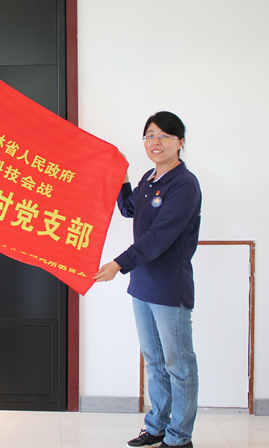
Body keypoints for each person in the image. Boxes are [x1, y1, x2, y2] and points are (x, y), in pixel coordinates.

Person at [94, 111, 201, 448]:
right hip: (142, 285)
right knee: (155, 362)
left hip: (169, 288)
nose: (156, 142)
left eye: (164, 136)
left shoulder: (184, 185)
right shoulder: (150, 178)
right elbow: (129, 208)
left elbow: (158, 237)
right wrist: (122, 175)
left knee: (178, 366)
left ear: (180, 142)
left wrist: (119, 264)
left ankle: (179, 437)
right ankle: (157, 427)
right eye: (150, 135)